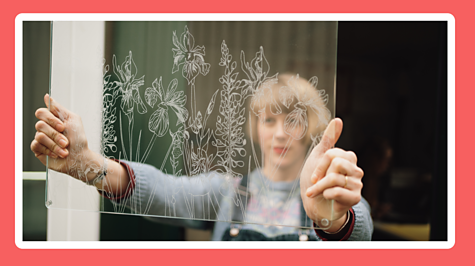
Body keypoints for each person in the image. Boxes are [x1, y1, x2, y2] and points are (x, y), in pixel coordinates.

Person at [31, 73, 373, 241]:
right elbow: (163, 193)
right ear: (256, 128)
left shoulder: (329, 193)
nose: (281, 132)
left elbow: (361, 228)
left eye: (293, 120)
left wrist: (332, 219)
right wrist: (87, 164)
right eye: (269, 120)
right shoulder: (227, 193)